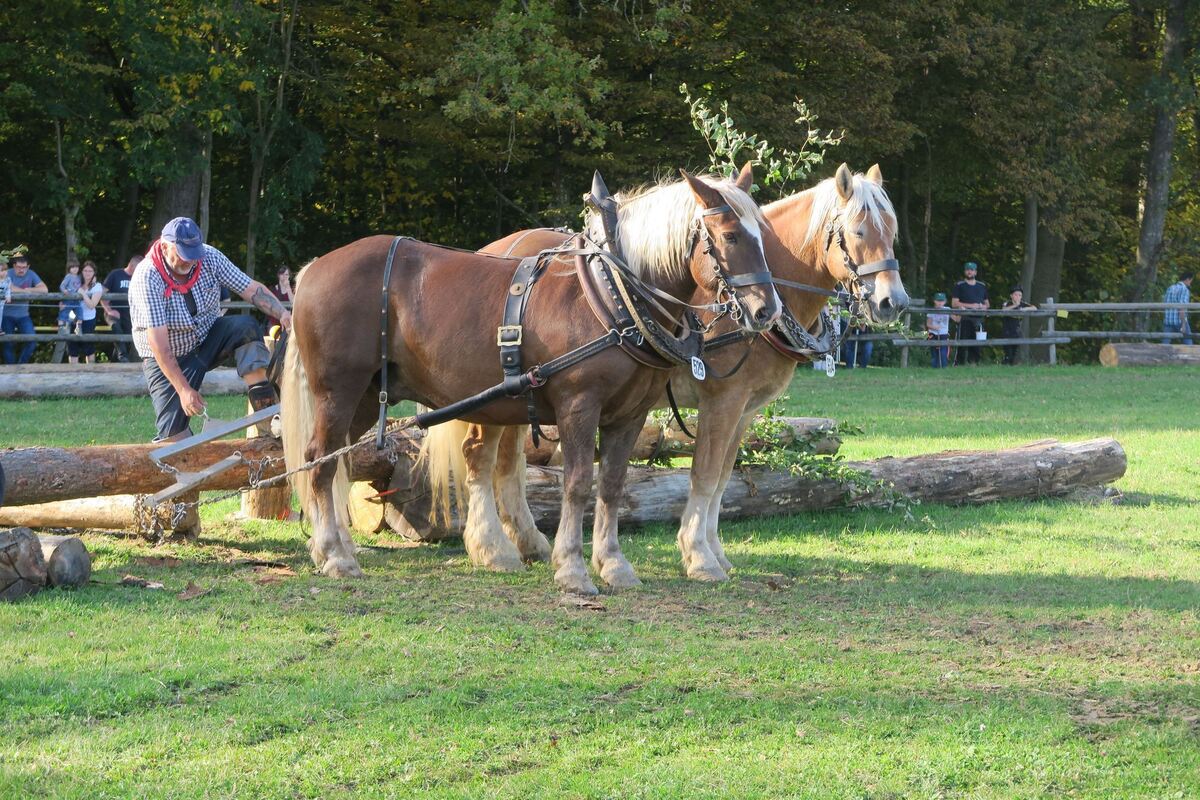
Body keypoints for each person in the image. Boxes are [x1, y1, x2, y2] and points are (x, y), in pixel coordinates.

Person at [129, 217, 292, 442]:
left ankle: (268, 418)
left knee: (245, 327)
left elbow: (251, 289)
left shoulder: (209, 256)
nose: (190, 261)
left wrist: (281, 313)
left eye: (193, 254)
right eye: (183, 255)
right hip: (167, 355)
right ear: (165, 247)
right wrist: (184, 390)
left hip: (207, 337)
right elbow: (160, 345)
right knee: (172, 439)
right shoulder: (147, 276)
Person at [1, 253, 47, 364]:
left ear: (28, 266)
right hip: (6, 315)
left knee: (32, 340)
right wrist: (26, 292)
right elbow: (9, 287)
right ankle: (11, 370)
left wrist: (29, 289)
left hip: (24, 316)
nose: (21, 270)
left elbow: (44, 289)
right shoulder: (7, 273)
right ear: (14, 265)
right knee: (7, 343)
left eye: (24, 267)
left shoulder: (31, 274)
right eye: (19, 267)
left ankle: (21, 366)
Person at [102, 255, 141, 362]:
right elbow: (102, 293)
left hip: (130, 314)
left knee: (128, 338)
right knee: (116, 327)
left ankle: (115, 362)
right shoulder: (115, 274)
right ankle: (122, 356)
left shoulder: (138, 278)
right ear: (132, 266)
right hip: (113, 311)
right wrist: (109, 310)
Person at [67, 261, 104, 364]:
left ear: (94, 273)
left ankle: (90, 373)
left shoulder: (97, 286)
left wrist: (82, 293)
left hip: (88, 319)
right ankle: (73, 373)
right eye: (85, 270)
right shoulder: (75, 282)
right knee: (72, 347)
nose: (87, 273)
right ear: (81, 271)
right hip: (73, 318)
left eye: (90, 271)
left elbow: (92, 305)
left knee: (88, 347)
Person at [952, 261, 989, 365]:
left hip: (979, 319)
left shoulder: (982, 286)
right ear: (965, 271)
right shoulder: (959, 285)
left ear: (975, 272)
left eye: (971, 270)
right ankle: (960, 364)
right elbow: (954, 303)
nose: (969, 272)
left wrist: (982, 307)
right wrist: (972, 306)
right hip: (965, 318)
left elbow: (987, 304)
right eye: (968, 270)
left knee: (977, 344)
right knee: (962, 343)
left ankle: (974, 364)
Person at [1000, 286, 1037, 365]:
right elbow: (1003, 310)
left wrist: (1024, 309)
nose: (1018, 297)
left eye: (1020, 295)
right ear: (1011, 296)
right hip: (1007, 330)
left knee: (1014, 351)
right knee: (1008, 352)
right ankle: (1005, 364)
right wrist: (1015, 306)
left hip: (1016, 331)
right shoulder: (1007, 303)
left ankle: (1010, 366)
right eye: (1016, 295)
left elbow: (1034, 308)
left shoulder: (1023, 304)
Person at [1162, 271, 1193, 345]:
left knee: (1165, 343)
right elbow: (1182, 307)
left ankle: (1161, 355)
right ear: (1187, 279)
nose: (1190, 283)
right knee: (1188, 342)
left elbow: (1165, 303)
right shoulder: (1184, 289)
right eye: (1191, 281)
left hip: (1168, 320)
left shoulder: (1170, 288)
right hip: (1179, 321)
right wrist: (1183, 324)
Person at [926, 291, 951, 368]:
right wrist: (934, 327)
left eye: (942, 301)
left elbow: (957, 319)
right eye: (938, 301)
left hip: (943, 334)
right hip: (933, 333)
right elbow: (928, 324)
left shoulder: (948, 309)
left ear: (945, 301)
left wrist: (961, 310)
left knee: (943, 352)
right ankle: (934, 367)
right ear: (934, 301)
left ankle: (944, 367)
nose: (940, 303)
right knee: (934, 352)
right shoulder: (931, 311)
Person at [266, 265, 293, 331]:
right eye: (282, 274)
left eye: (286, 274)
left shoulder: (291, 289)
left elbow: (293, 302)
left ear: (289, 276)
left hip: (288, 320)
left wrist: (288, 288)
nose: (284, 276)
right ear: (278, 275)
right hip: (275, 320)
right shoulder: (273, 289)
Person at [58, 259, 82, 331]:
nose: (75, 269)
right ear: (69, 269)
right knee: (64, 313)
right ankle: (61, 327)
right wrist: (64, 290)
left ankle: (78, 327)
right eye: (73, 267)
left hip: (76, 299)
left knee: (80, 312)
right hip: (68, 298)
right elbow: (62, 286)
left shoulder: (79, 277)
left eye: (76, 267)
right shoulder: (68, 276)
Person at [0, 258, 10, 334]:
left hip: (1, 302)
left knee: (0, 315)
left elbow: (8, 289)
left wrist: (8, 296)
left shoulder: (8, 280)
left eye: (5, 270)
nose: (4, 273)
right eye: (1, 271)